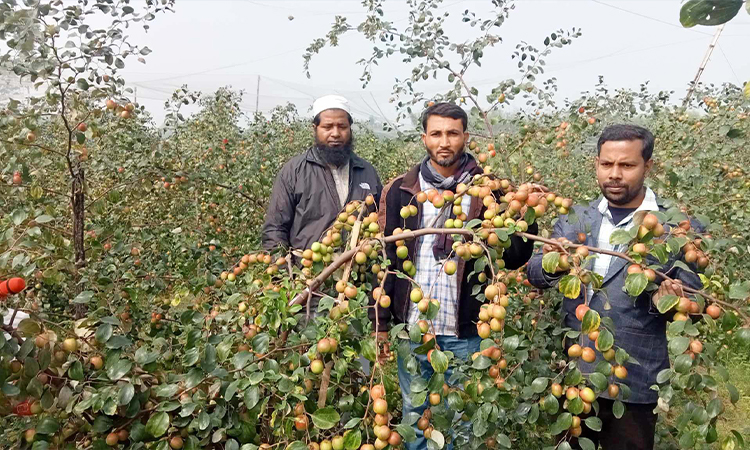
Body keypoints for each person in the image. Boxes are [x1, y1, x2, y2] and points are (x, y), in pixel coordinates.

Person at [373, 102, 537, 450]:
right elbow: (386, 262)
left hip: (467, 331)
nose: (444, 141)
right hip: (415, 329)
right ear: (424, 138)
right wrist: (382, 324)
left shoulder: (490, 192)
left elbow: (515, 257)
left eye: (452, 133)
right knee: (417, 420)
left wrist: (524, 215)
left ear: (465, 136)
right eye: (436, 133)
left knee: (463, 425)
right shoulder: (400, 191)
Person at [527, 124, 702, 450]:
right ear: (596, 163)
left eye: (627, 165)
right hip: (575, 376)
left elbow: (694, 302)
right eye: (606, 164)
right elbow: (535, 273)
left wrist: (667, 300)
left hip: (633, 382)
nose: (615, 174)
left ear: (648, 166)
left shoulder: (674, 226)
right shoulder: (578, 218)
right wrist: (557, 262)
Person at [261, 95, 382, 252]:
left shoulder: (367, 172)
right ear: (315, 129)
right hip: (308, 273)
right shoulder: (294, 172)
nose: (336, 133)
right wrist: (285, 273)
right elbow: (275, 230)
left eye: (342, 127)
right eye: (327, 127)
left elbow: (382, 221)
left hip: (358, 273)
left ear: (350, 129)